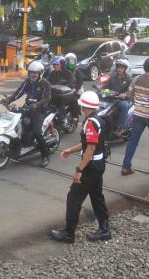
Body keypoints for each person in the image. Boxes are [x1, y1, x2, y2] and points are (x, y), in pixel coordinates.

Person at [49, 91, 110, 244]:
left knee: (73, 198)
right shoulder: (99, 119)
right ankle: (105, 230)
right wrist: (70, 150)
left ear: (83, 107)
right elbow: (87, 144)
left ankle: (68, 234)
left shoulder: (90, 123)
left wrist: (79, 170)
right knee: (97, 196)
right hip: (99, 165)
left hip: (90, 168)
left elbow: (90, 148)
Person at [1, 60, 52, 167]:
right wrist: (8, 100)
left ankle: (45, 156)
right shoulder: (28, 82)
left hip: (39, 110)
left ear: (40, 73)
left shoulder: (45, 84)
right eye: (31, 72)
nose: (32, 74)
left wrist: (37, 105)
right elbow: (19, 92)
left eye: (35, 73)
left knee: (37, 133)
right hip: (27, 108)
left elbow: (46, 98)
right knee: (13, 119)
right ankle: (18, 144)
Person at [107, 59, 132, 137]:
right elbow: (106, 87)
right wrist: (100, 89)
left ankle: (120, 127)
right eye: (118, 67)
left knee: (124, 106)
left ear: (125, 69)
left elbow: (130, 90)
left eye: (122, 68)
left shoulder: (128, 79)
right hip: (112, 98)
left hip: (122, 100)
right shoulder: (112, 77)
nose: (119, 69)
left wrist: (125, 94)